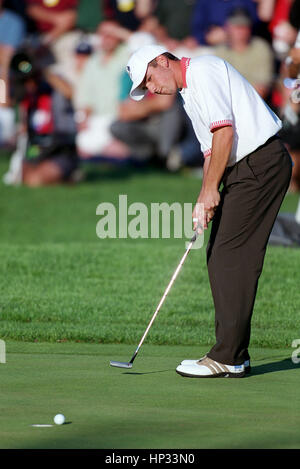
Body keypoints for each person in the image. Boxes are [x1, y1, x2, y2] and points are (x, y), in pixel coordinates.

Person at [126, 44, 292, 378]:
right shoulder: (189, 92)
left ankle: (227, 357)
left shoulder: (203, 69)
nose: (152, 89)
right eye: (146, 88)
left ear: (161, 61)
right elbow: (209, 150)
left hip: (259, 164)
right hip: (247, 169)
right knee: (222, 255)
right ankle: (233, 354)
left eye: (149, 80)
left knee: (230, 257)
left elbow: (225, 133)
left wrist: (210, 189)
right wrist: (206, 197)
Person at [214, 7, 275, 100]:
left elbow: (262, 89)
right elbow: (218, 88)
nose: (240, 30)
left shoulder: (261, 48)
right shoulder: (219, 52)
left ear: (250, 28)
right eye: (236, 25)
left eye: (244, 26)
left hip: (255, 103)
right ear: (227, 27)